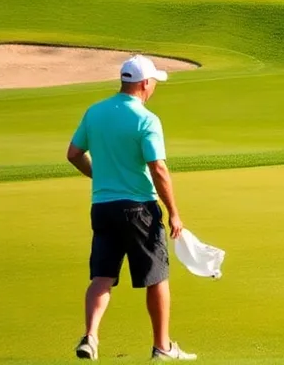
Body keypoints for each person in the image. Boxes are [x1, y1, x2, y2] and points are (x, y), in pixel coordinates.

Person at [67, 55, 196, 361]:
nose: (154, 88)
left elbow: (74, 153)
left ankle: (91, 336)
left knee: (102, 277)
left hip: (102, 208)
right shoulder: (146, 119)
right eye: (153, 83)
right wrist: (174, 211)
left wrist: (101, 175)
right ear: (143, 84)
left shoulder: (95, 112)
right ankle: (162, 347)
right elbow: (158, 168)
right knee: (157, 278)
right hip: (139, 208)